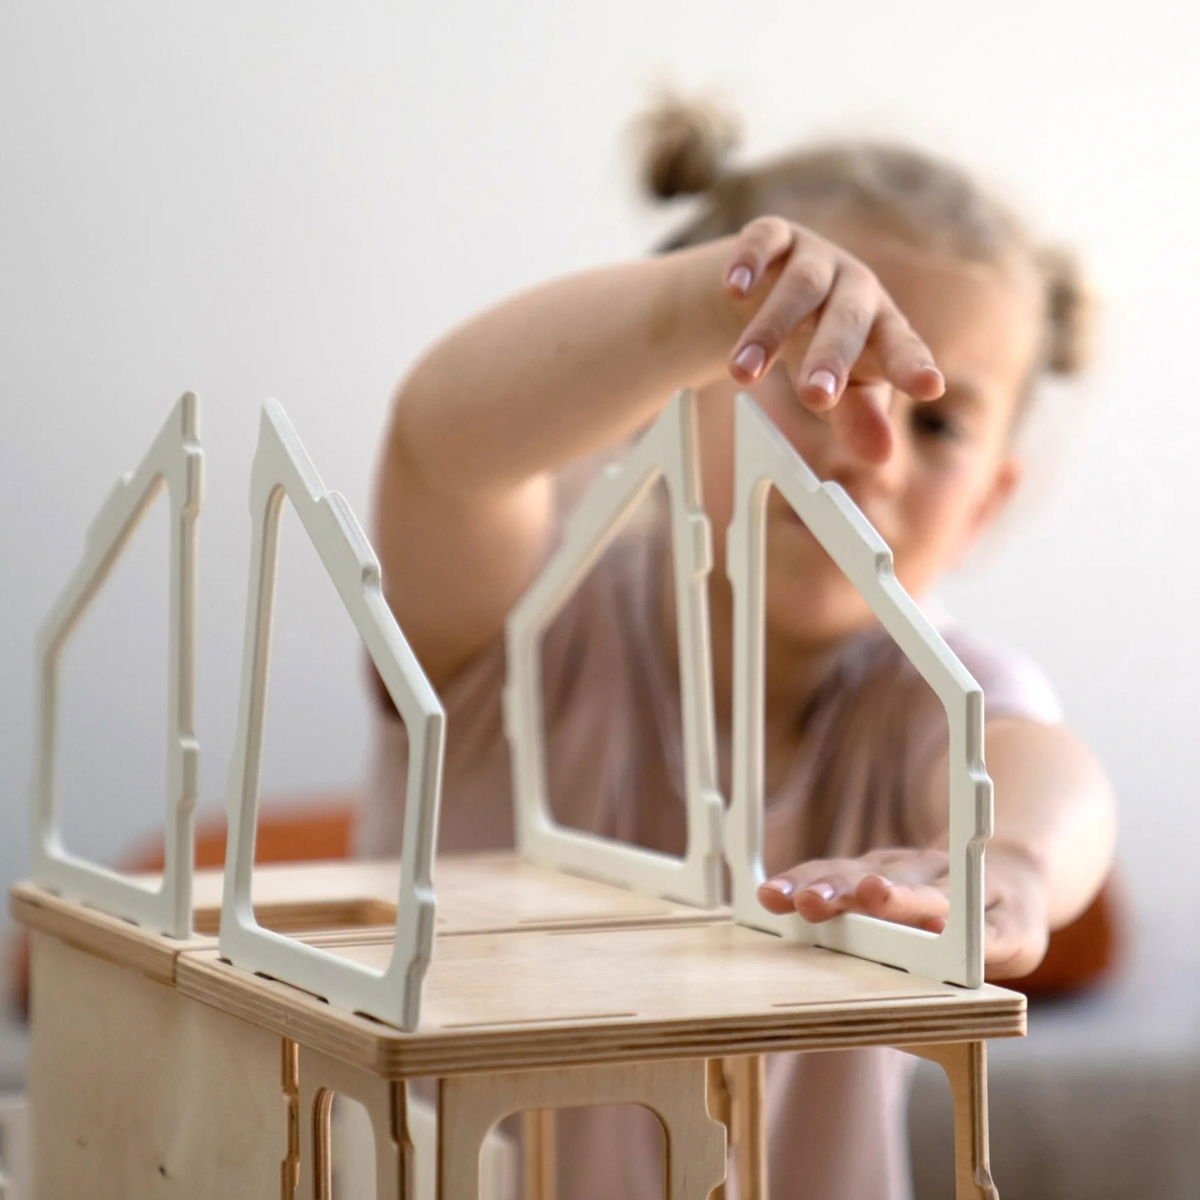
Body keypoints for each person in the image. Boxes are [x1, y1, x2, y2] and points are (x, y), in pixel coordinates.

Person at [359, 97, 1118, 1198]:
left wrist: (1013, 865)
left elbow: (1044, 772)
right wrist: (682, 316)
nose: (871, 448)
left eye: (939, 421)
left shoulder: (924, 693)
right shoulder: (531, 625)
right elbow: (440, 448)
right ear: (665, 401)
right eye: (808, 367)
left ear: (991, 503)